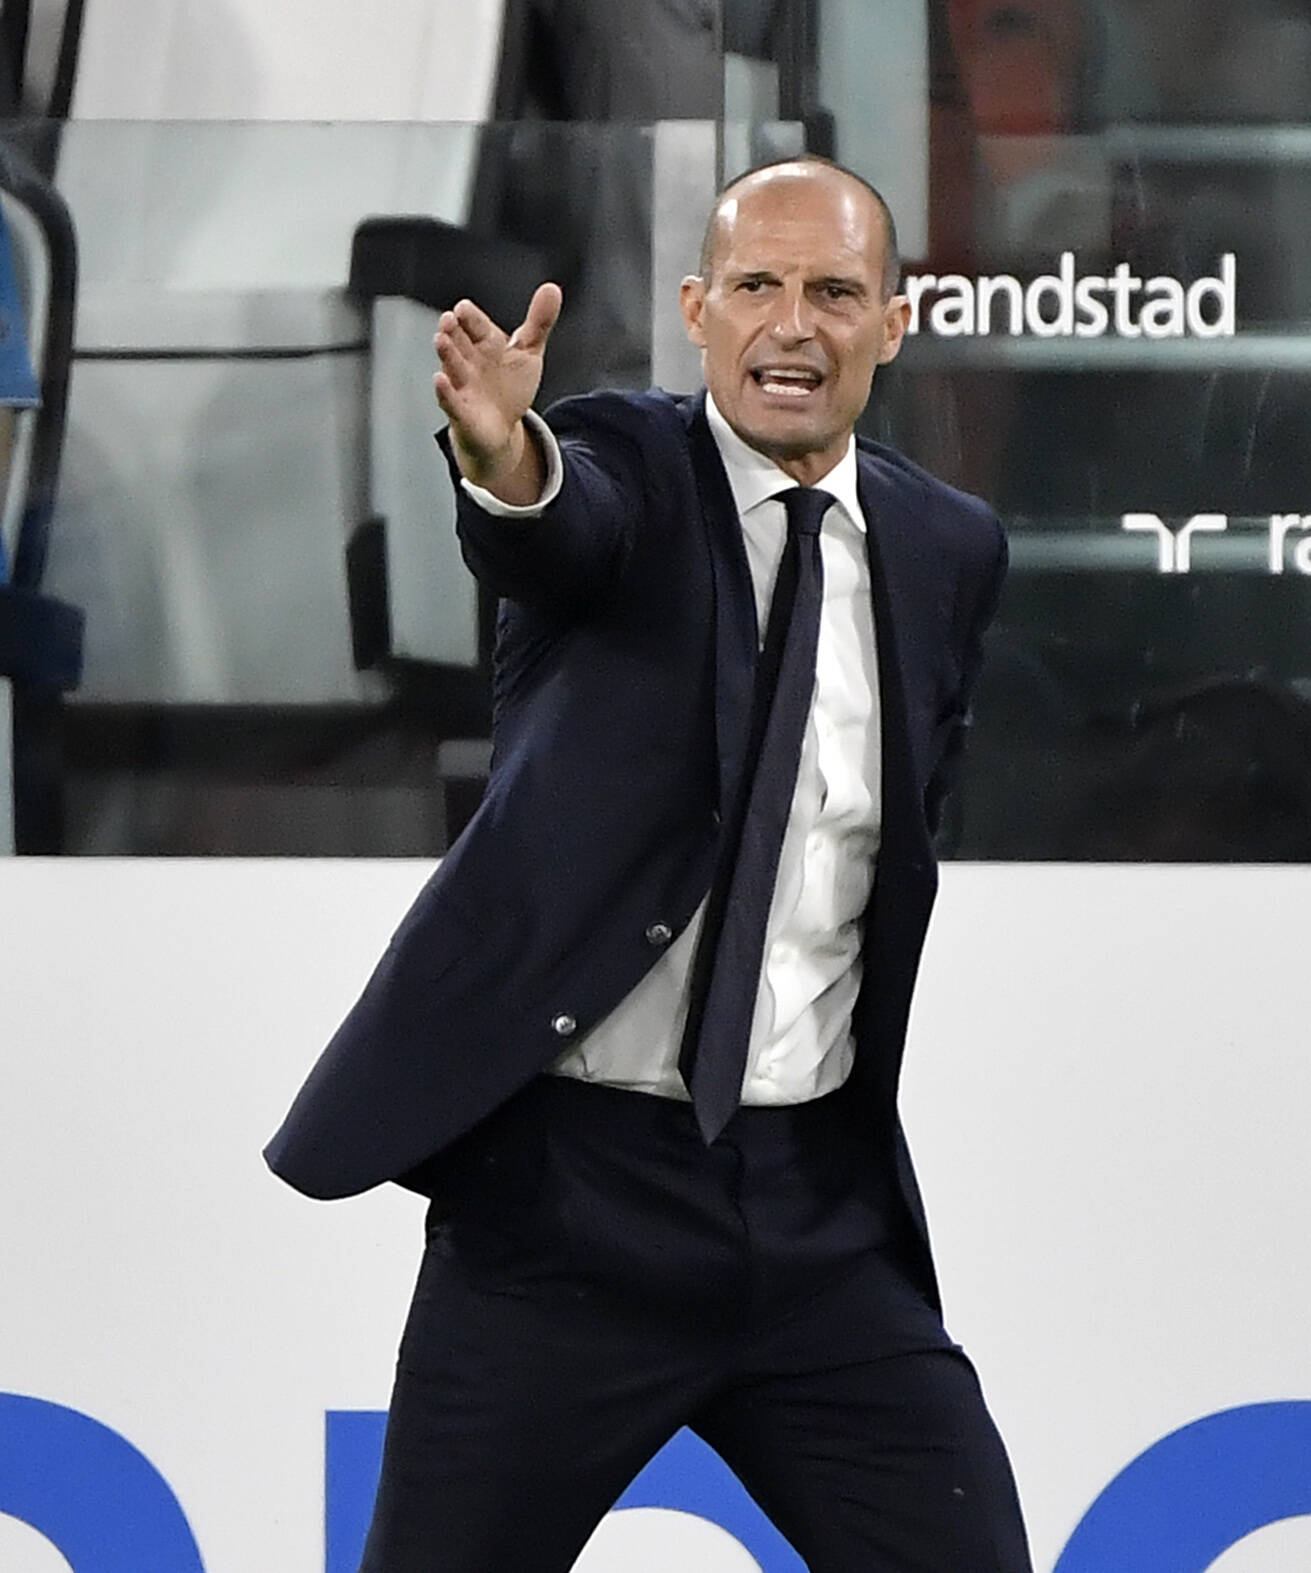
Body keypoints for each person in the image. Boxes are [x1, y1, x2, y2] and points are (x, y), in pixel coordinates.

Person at [264, 156, 1030, 1572]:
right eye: (755, 286)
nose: (790, 325)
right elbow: (558, 519)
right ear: (696, 309)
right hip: (570, 1210)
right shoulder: (628, 462)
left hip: (814, 1210)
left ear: (894, 321)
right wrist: (504, 455)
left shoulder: (948, 547)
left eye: (833, 292)